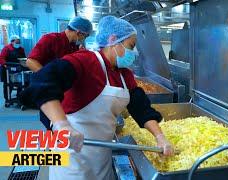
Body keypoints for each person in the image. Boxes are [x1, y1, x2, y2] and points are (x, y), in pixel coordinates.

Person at [20, 16, 174, 180]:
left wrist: (160, 137)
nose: (133, 53)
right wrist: (62, 124)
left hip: (102, 154)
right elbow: (43, 81)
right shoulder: (85, 61)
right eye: (131, 46)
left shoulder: (125, 75)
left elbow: (141, 109)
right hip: (73, 156)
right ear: (114, 40)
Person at [26, 16, 92, 72]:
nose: (83, 39)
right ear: (78, 32)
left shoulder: (73, 46)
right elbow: (30, 61)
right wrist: (47, 77)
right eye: (85, 36)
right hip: (46, 85)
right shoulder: (50, 39)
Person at [0, 35, 26, 103]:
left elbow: (24, 58)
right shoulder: (7, 48)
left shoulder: (21, 49)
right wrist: (5, 65)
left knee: (21, 83)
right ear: (12, 42)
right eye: (16, 42)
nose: (18, 43)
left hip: (18, 68)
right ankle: (7, 99)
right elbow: (1, 58)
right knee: (8, 84)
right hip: (7, 69)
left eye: (19, 42)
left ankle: (19, 97)